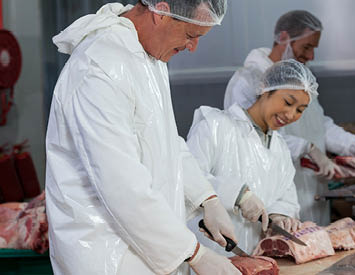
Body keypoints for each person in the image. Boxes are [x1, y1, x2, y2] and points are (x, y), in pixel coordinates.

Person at [45, 1, 241, 274]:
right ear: (161, 12)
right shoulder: (100, 67)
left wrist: (206, 198)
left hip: (144, 247)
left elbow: (165, 141)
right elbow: (120, 182)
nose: (192, 47)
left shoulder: (146, 56)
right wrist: (195, 254)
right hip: (107, 254)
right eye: (190, 35)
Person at [223, 10, 355, 225]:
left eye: (314, 49)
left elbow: (318, 125)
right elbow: (249, 137)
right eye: (306, 47)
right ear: (284, 38)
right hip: (272, 198)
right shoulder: (249, 80)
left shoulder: (299, 78)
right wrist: (307, 148)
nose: (311, 56)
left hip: (312, 191)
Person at [187, 59, 319, 256]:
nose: (291, 114)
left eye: (300, 110)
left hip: (255, 258)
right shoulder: (215, 126)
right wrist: (238, 195)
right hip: (209, 255)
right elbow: (188, 179)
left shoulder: (280, 149)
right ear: (266, 89)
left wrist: (279, 214)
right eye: (288, 102)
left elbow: (286, 196)